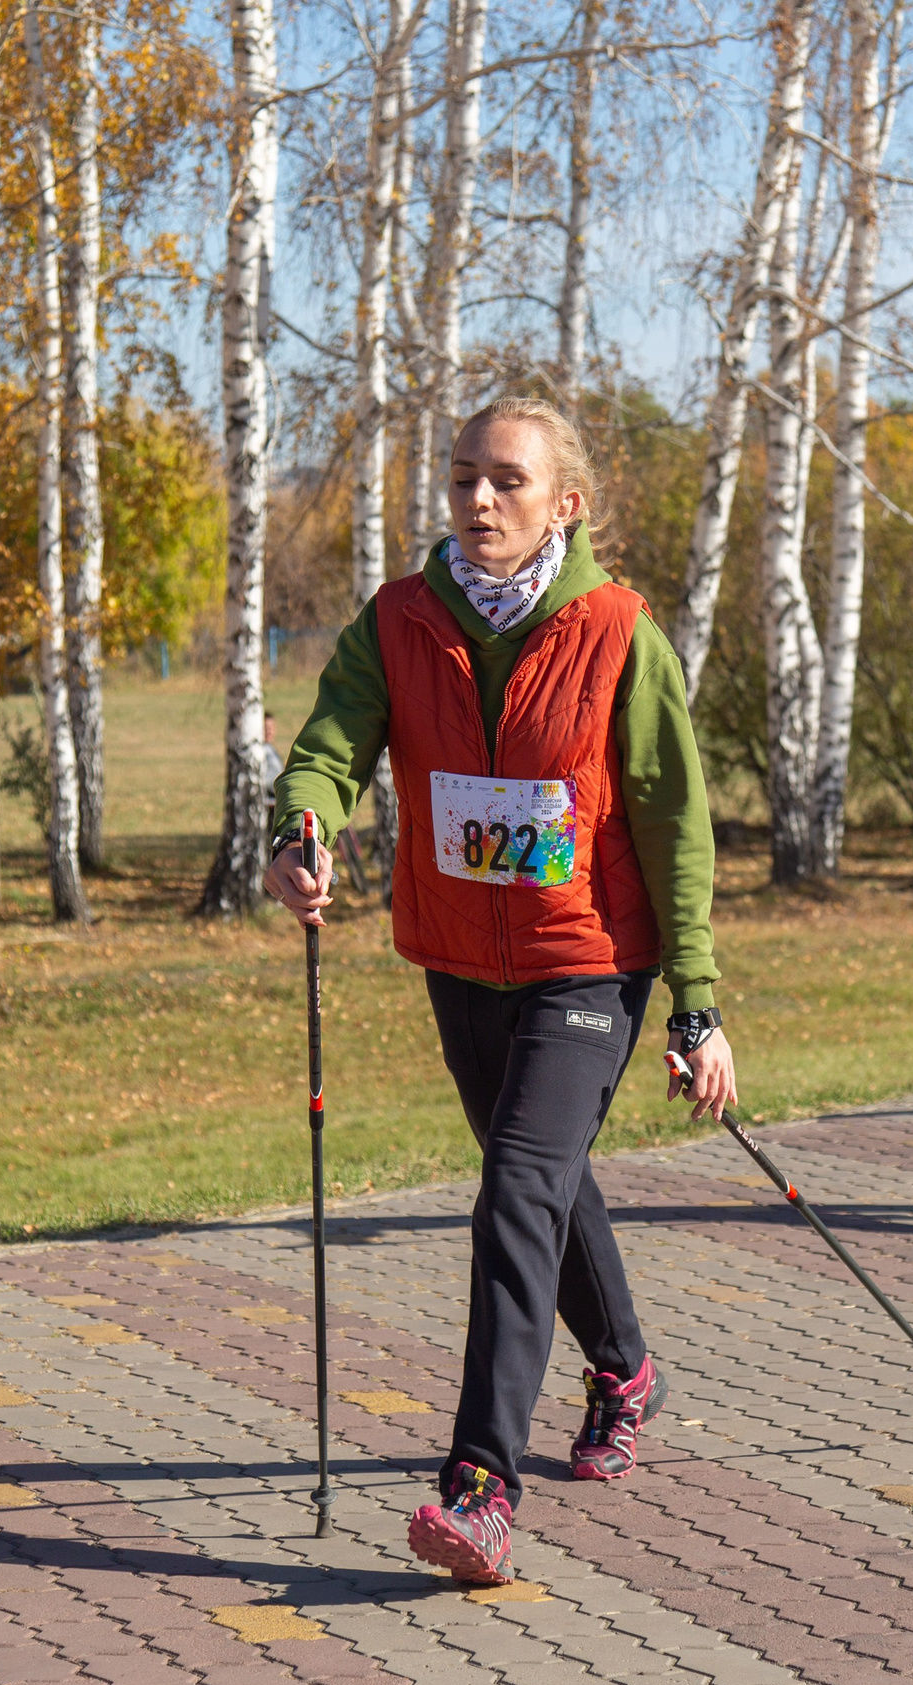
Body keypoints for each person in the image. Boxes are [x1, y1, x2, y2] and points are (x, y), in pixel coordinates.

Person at [268, 396, 736, 1585]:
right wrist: (304, 822)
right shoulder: (401, 618)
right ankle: (625, 1366)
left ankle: (478, 1485)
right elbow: (334, 743)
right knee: (540, 1179)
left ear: (563, 503)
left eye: (508, 480)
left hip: (589, 956)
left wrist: (696, 1001)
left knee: (515, 1189)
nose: (479, 499)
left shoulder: (619, 630)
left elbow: (676, 824)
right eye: (463, 475)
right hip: (460, 960)